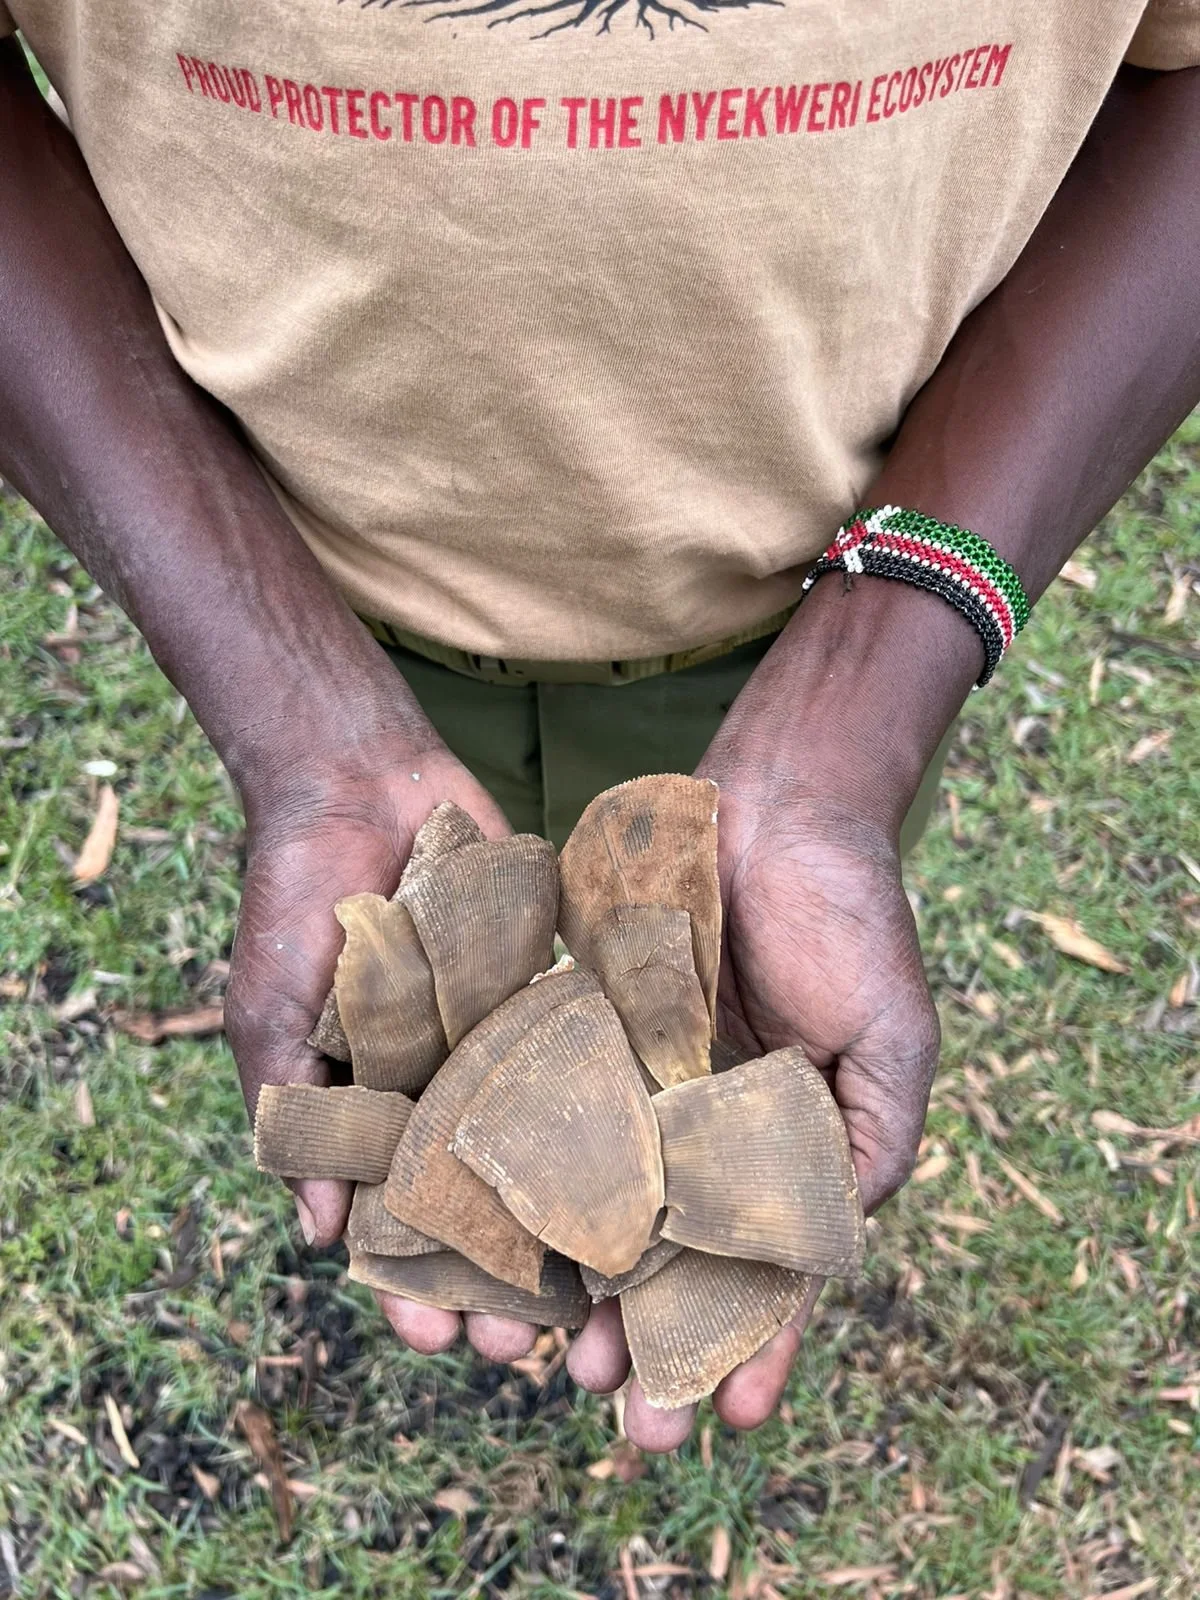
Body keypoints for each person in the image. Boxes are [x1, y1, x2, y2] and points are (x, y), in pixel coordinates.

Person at [2, 5, 1198, 1455]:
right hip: (298, 583)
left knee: (743, 968)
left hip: (838, 597)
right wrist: (290, 709)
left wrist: (866, 690)